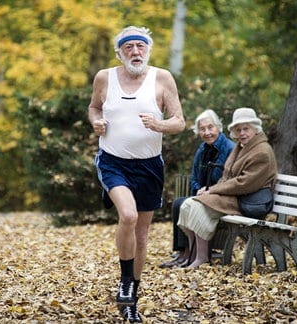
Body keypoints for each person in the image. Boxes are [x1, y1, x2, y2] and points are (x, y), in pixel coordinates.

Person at [88, 25, 185, 323]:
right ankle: (125, 282)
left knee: (141, 237)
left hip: (149, 166)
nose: (135, 51)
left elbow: (179, 121)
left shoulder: (162, 78)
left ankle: (132, 299)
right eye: (128, 47)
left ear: (148, 50)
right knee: (128, 216)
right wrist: (96, 122)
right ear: (119, 52)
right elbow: (93, 108)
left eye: (140, 46)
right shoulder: (105, 77)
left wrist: (159, 125)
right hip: (113, 161)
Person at [177, 107, 277, 269]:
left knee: (196, 206)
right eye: (238, 130)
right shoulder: (242, 147)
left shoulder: (262, 152)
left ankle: (202, 258)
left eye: (246, 129)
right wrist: (208, 191)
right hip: (236, 196)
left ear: (255, 129)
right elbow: (227, 175)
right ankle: (196, 254)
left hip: (250, 201)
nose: (242, 133)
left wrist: (212, 191)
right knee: (187, 205)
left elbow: (244, 183)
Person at [158, 109, 234, 268]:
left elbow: (230, 180)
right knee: (178, 203)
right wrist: (198, 188)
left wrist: (210, 190)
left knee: (185, 204)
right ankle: (183, 253)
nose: (207, 132)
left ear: (218, 127)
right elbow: (194, 177)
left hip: (219, 197)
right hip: (203, 194)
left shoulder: (229, 149)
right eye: (202, 129)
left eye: (210, 127)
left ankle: (191, 254)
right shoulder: (202, 149)